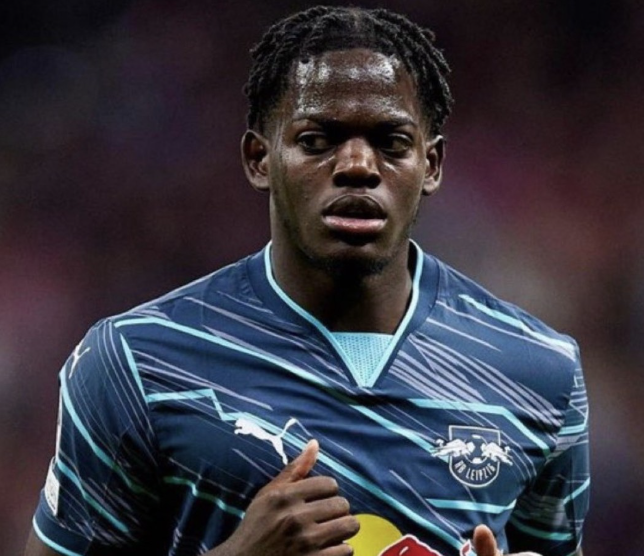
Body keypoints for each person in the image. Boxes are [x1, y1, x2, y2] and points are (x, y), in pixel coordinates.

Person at [24, 6, 589, 556]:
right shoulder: (136, 363)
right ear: (259, 158)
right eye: (317, 140)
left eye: (392, 143)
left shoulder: (538, 370)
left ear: (431, 165)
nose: (358, 166)